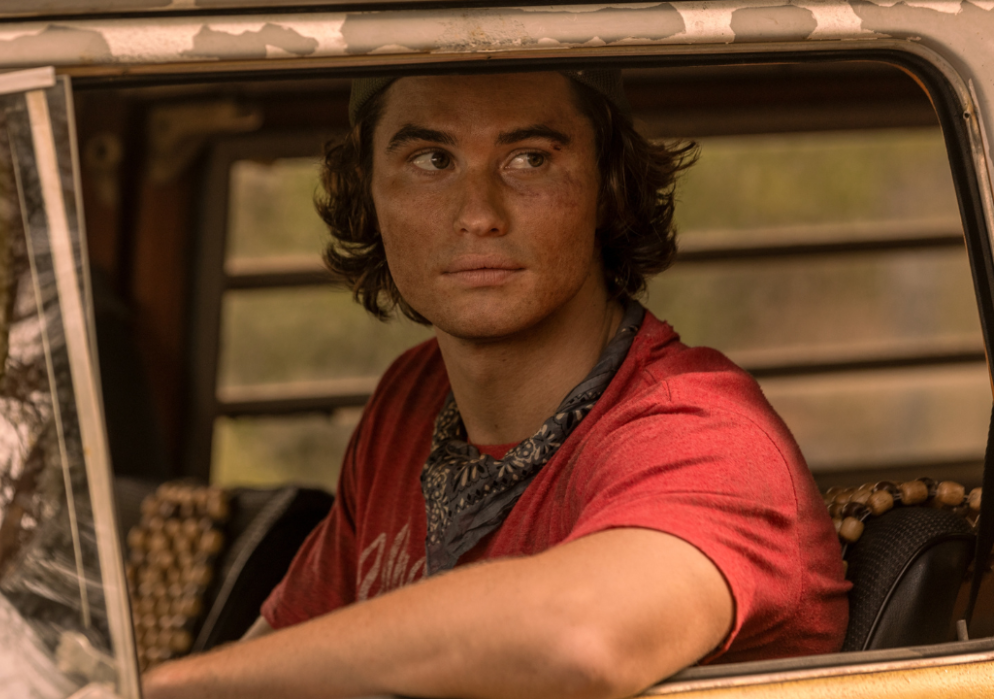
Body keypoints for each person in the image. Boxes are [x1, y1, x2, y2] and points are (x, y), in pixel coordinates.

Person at [143, 70, 849, 699]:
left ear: (607, 185)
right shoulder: (412, 401)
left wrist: (167, 688)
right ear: (368, 187)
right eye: (431, 160)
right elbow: (282, 649)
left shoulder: (703, 432)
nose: (478, 213)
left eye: (529, 159)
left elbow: (578, 640)